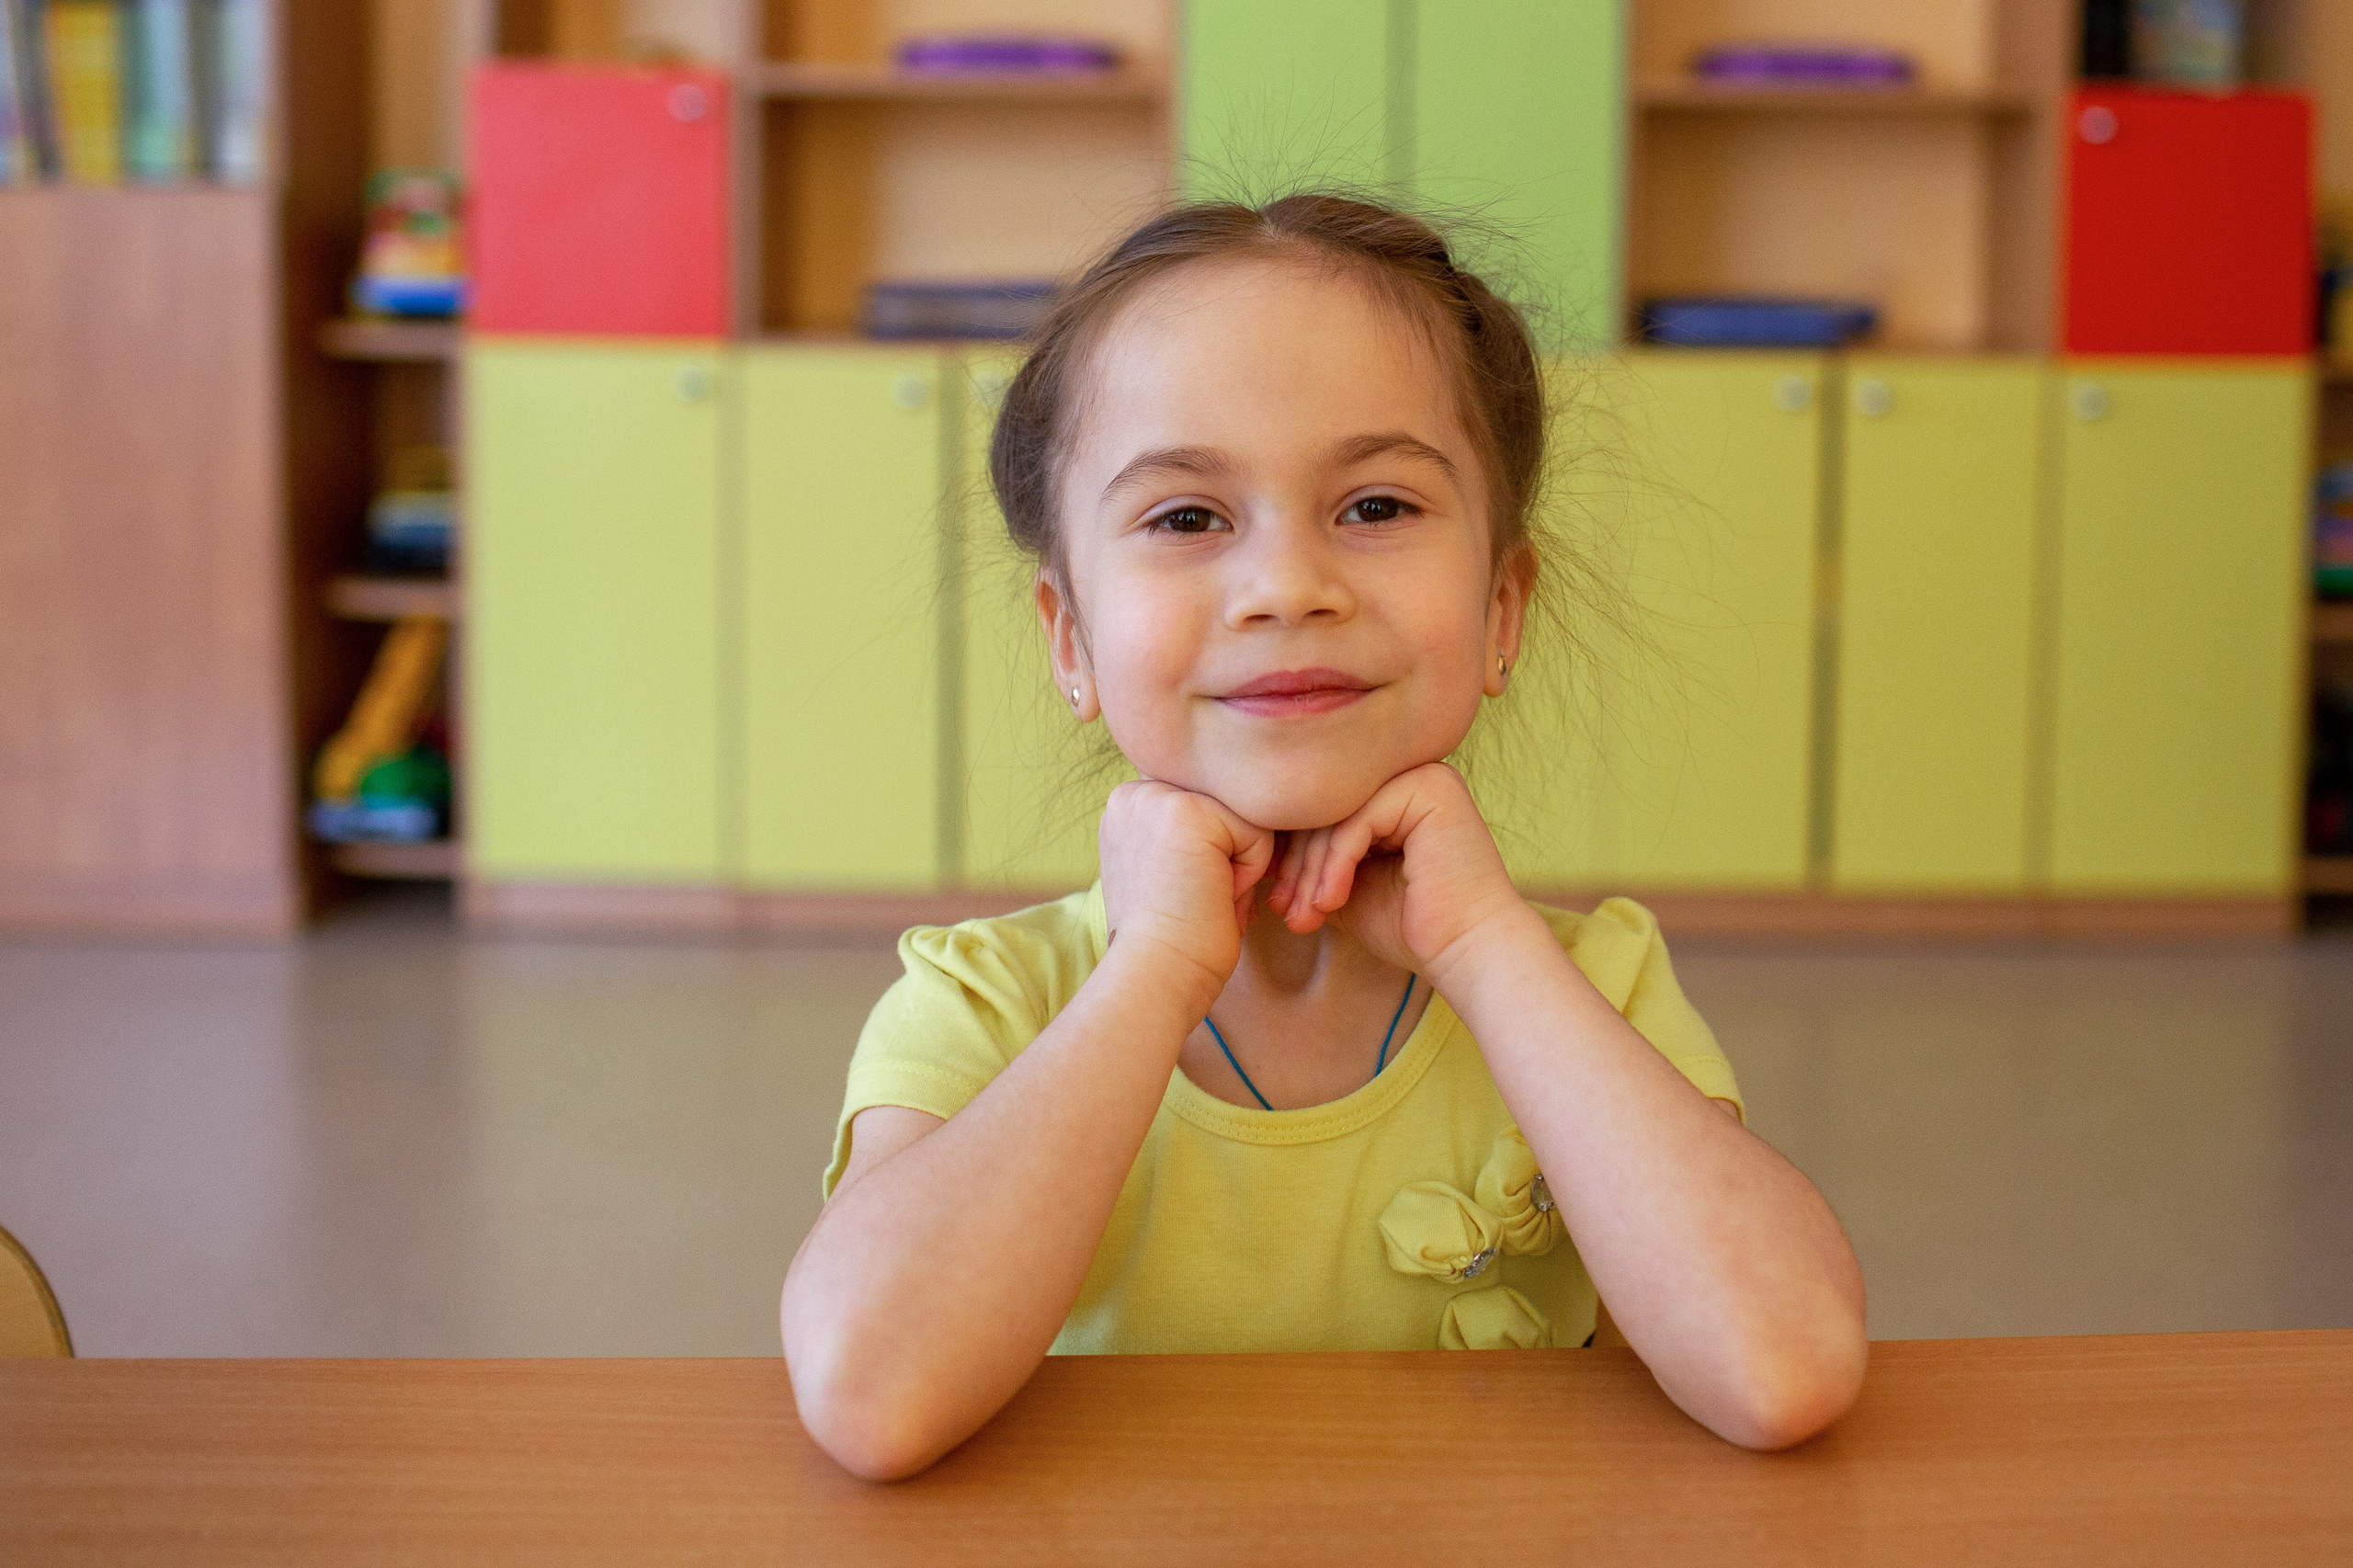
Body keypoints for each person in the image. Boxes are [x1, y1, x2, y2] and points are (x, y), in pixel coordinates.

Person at [779, 193, 1868, 1480]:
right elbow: (870, 1391)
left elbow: (1783, 1362)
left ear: (1502, 607)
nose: (1290, 585)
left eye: (1376, 506)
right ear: (1070, 638)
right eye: (1187, 517)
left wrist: (1479, 942)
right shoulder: (986, 1002)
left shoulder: (1587, 988)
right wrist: (1153, 971)